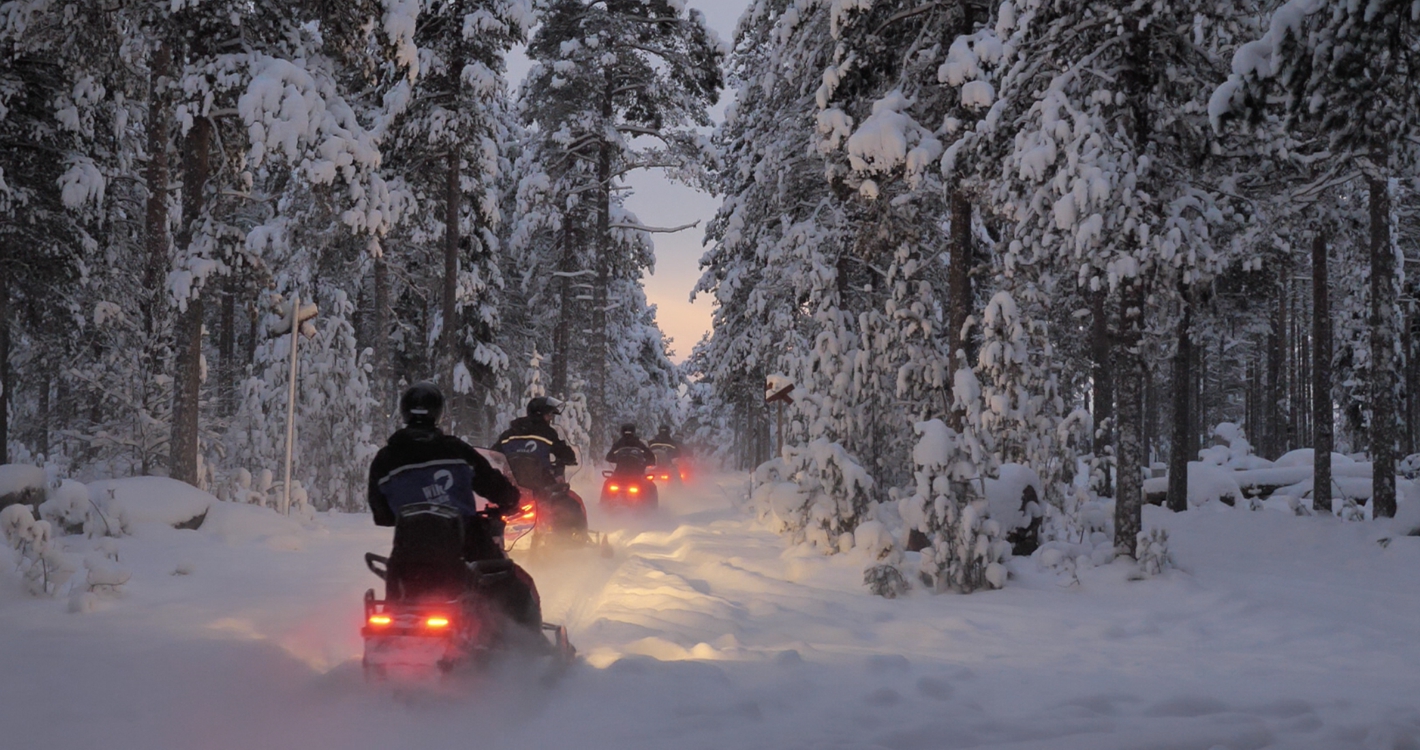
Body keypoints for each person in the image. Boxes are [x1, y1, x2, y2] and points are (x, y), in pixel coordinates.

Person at [367, 382, 539, 626]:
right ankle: (532, 649)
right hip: (465, 543)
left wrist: (414, 510)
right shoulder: (456, 450)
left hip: (409, 548)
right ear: (438, 412)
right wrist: (510, 500)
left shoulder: (384, 460)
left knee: (399, 588)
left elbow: (381, 515)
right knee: (512, 585)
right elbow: (495, 485)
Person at [492, 396, 579, 490]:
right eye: (548, 414)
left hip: (512, 487)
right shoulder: (547, 433)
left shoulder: (508, 434)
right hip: (541, 486)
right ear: (539, 414)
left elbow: (493, 453)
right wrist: (568, 459)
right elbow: (566, 454)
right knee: (570, 501)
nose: (550, 418)